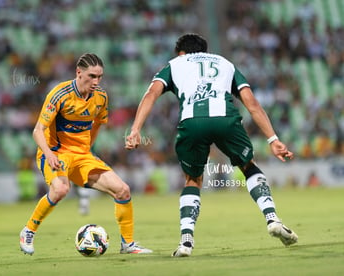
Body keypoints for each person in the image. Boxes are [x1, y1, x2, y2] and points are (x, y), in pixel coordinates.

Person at [126, 34, 298, 257]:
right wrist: (273, 139)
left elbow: (151, 94)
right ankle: (272, 219)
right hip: (225, 119)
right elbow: (252, 103)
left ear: (181, 53)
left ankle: (186, 241)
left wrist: (136, 130)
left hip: (192, 122)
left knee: (193, 179)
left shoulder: (174, 64)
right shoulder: (225, 63)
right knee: (248, 166)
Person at [19, 53, 152, 255]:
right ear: (78, 72)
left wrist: (88, 148)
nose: (96, 81)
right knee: (61, 190)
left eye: (99, 77)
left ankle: (128, 244)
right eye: (92, 76)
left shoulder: (101, 97)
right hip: (56, 152)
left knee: (123, 190)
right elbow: (37, 130)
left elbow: (98, 123)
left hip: (82, 155)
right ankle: (28, 230)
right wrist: (50, 154)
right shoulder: (59, 94)